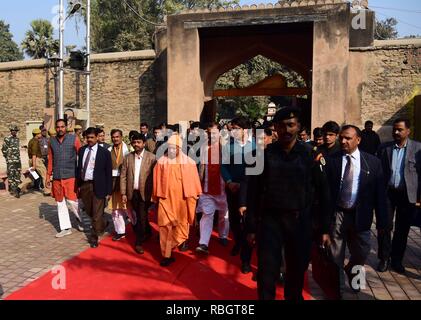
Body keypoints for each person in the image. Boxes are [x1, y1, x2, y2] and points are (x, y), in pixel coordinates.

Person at [241, 107, 332, 300]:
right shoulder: (263, 155)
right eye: (281, 126)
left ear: (298, 127)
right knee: (267, 273)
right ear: (275, 128)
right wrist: (250, 227)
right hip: (270, 222)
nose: (286, 130)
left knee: (296, 272)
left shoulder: (312, 155)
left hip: (300, 223)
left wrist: (324, 228)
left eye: (291, 125)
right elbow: (253, 193)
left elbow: (324, 194)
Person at [325, 125, 387, 297]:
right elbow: (325, 192)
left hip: (361, 216)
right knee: (335, 254)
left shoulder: (372, 163)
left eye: (348, 138)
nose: (343, 141)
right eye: (341, 138)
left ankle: (354, 276)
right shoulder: (333, 160)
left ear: (358, 140)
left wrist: (383, 222)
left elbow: (380, 195)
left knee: (362, 252)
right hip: (338, 214)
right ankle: (337, 289)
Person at [376, 118, 421, 274]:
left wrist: (419, 198)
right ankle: (384, 258)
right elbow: (379, 173)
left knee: (402, 230)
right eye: (394, 129)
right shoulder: (384, 148)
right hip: (388, 194)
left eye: (400, 129)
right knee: (384, 227)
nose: (396, 132)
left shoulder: (418, 149)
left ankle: (396, 260)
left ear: (408, 131)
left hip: (407, 195)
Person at [152, 135, 202, 266]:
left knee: (181, 225)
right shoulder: (161, 162)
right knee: (164, 227)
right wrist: (156, 197)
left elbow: (194, 184)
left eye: (175, 148)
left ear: (180, 148)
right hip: (166, 200)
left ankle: (175, 244)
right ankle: (166, 255)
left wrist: (194, 197)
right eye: (170, 148)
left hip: (182, 202)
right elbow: (156, 181)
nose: (172, 151)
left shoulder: (189, 163)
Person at [221, 117, 255, 274]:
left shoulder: (256, 146)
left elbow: (257, 170)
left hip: (249, 191)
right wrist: (229, 182)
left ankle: (246, 260)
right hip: (232, 188)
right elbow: (223, 166)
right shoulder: (228, 146)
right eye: (231, 128)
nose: (232, 131)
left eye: (235, 128)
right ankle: (238, 242)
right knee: (234, 220)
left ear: (245, 130)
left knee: (248, 223)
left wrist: (246, 185)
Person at [196, 122, 230, 255]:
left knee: (223, 215)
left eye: (214, 133)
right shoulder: (204, 146)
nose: (212, 135)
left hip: (223, 187)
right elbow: (201, 166)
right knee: (207, 214)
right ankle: (203, 243)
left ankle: (223, 235)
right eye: (209, 133)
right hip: (207, 186)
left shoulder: (226, 147)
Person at [46, 119, 84, 238]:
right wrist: (48, 176)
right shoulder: (52, 141)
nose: (60, 129)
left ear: (66, 127)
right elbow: (51, 159)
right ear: (55, 128)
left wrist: (82, 174)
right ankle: (65, 228)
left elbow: (81, 156)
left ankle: (80, 219)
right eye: (58, 127)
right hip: (57, 176)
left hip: (71, 175)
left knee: (72, 201)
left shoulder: (74, 139)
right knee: (60, 203)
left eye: (62, 127)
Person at [120, 132, 156, 254]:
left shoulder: (152, 158)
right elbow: (123, 176)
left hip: (146, 192)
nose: (136, 144)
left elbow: (155, 177)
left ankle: (139, 242)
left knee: (141, 216)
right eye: (134, 142)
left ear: (144, 143)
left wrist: (154, 194)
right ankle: (148, 231)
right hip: (132, 192)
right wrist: (124, 193)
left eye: (139, 142)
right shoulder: (128, 157)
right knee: (141, 215)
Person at [77, 127, 113, 248]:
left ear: (97, 137)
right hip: (85, 186)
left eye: (92, 137)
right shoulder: (82, 151)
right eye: (88, 137)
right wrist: (78, 185)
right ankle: (103, 223)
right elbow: (79, 168)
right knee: (89, 212)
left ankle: (94, 237)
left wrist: (109, 191)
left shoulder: (105, 153)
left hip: (99, 186)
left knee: (97, 215)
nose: (90, 140)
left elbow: (108, 173)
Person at [107, 129, 130, 241]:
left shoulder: (128, 150)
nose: (115, 139)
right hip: (112, 181)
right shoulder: (108, 150)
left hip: (125, 181)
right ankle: (120, 231)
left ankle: (136, 225)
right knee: (115, 208)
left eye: (117, 137)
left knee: (128, 207)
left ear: (121, 137)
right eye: (113, 137)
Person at [17, 128, 47, 195]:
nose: (41, 134)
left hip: (31, 161)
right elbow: (34, 154)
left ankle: (19, 187)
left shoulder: (31, 141)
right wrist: (34, 165)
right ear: (37, 134)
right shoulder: (35, 142)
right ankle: (47, 190)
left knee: (32, 177)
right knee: (45, 175)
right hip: (36, 161)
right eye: (40, 133)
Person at [2, 125, 22, 198]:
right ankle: (14, 190)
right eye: (13, 130)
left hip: (17, 160)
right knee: (11, 175)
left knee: (17, 174)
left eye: (16, 131)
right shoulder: (7, 139)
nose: (14, 132)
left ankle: (16, 188)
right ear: (11, 131)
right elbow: (3, 149)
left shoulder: (17, 139)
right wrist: (7, 158)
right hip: (11, 160)